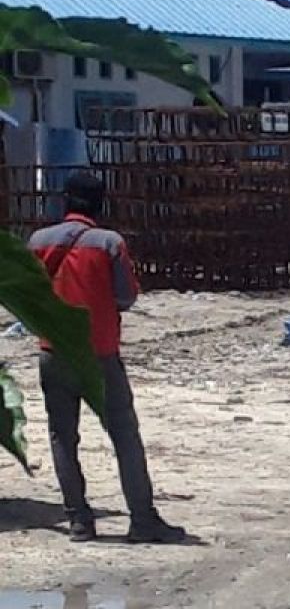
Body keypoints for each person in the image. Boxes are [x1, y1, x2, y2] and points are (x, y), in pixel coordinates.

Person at [27, 172, 186, 544]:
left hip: (52, 351)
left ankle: (79, 521)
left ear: (66, 200)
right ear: (100, 203)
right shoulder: (109, 243)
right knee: (124, 435)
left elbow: (30, 292)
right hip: (99, 352)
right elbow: (126, 297)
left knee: (63, 437)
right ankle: (142, 520)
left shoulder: (37, 241)